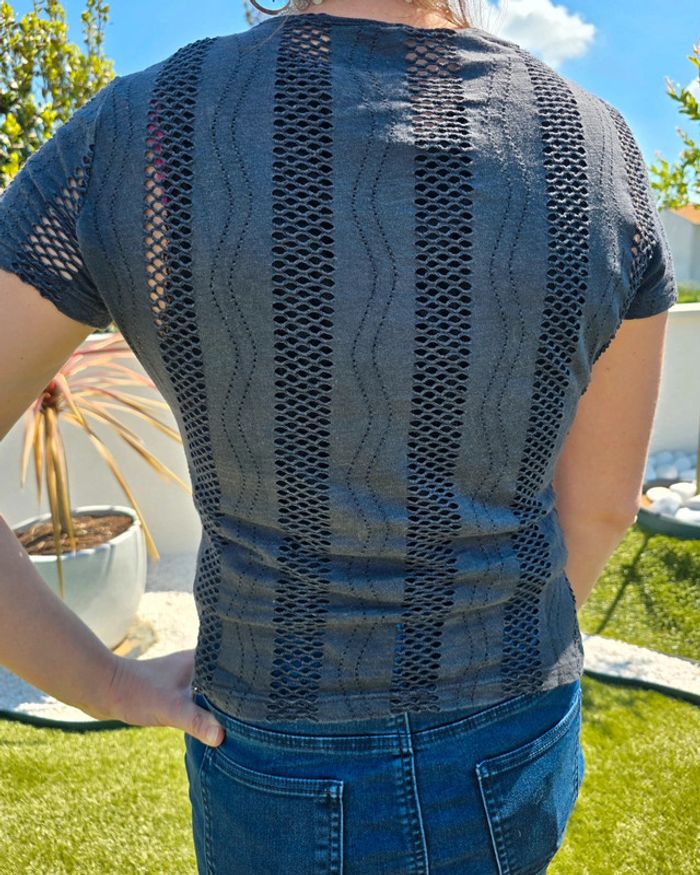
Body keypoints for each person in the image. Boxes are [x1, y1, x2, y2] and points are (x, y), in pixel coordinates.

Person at [0, 0, 678, 872]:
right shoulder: (597, 145)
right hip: (516, 729)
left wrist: (104, 681)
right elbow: (604, 508)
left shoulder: (137, 128)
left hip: (275, 745)